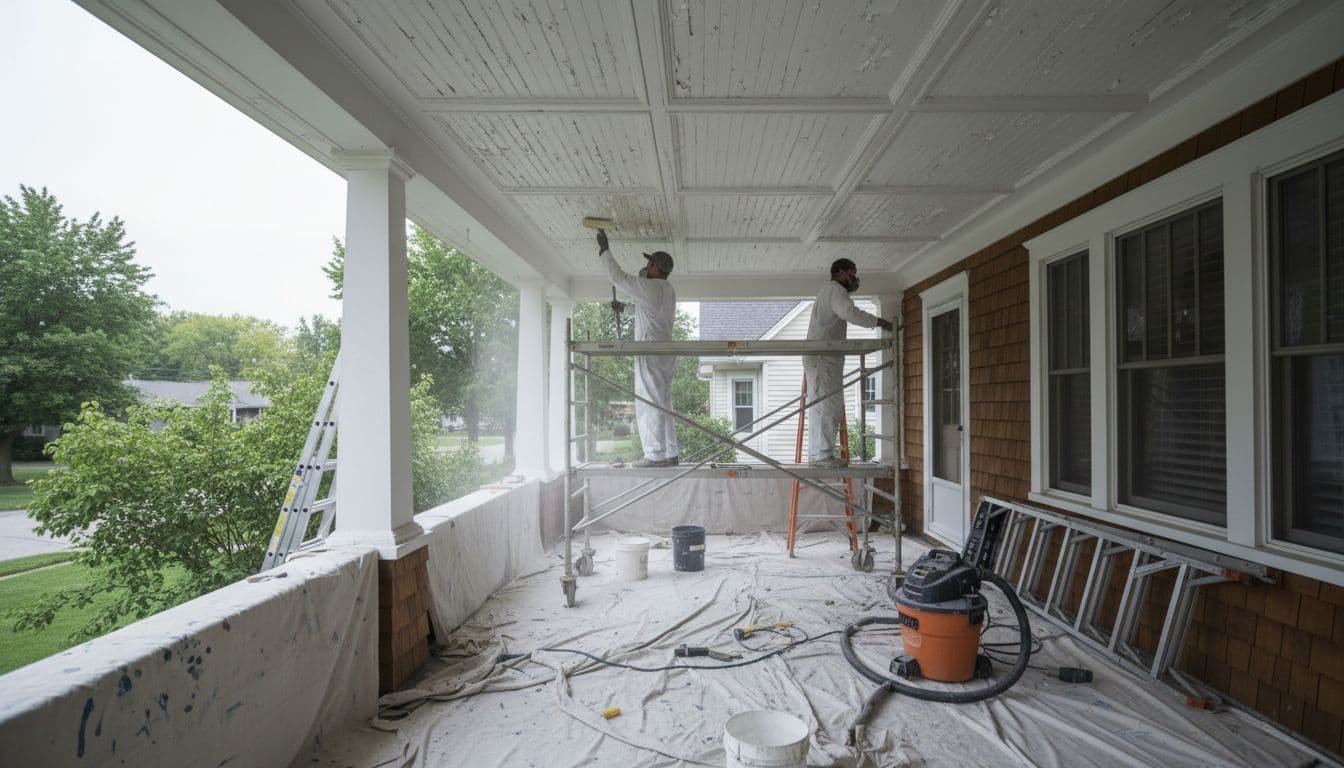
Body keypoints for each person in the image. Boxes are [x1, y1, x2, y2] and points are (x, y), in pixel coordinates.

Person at [598, 228, 679, 467]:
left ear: (655, 266)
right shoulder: (667, 290)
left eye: (649, 263)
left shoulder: (651, 287)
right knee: (663, 403)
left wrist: (605, 250)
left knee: (649, 402)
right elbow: (650, 313)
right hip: (664, 352)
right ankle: (670, 452)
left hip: (651, 353)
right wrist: (625, 308)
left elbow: (619, 278)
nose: (646, 267)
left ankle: (655, 455)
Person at [804, 258, 894, 468]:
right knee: (829, 405)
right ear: (841, 273)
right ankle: (822, 456)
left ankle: (817, 454)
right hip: (823, 357)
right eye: (853, 273)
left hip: (820, 356)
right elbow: (849, 312)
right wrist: (879, 322)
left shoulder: (826, 291)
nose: (855, 278)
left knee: (820, 405)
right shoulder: (836, 291)